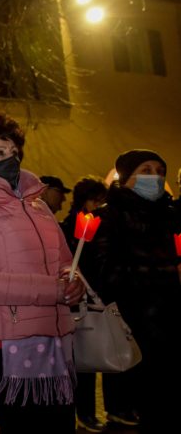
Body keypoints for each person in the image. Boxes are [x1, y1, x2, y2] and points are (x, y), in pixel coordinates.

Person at [0, 112, 84, 434]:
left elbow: (64, 259)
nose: (11, 159)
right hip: (7, 346)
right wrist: (52, 290)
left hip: (55, 339)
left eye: (13, 152)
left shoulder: (38, 206)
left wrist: (73, 279)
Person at [81, 149, 181, 433]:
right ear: (126, 177)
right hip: (129, 321)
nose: (155, 177)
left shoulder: (169, 215)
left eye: (160, 171)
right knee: (140, 393)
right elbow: (99, 271)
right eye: (146, 170)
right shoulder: (107, 216)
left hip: (168, 317)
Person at [59, 176, 108, 433]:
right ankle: (81, 413)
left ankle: (87, 411)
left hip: (96, 301)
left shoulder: (103, 227)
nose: (99, 206)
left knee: (92, 359)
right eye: (96, 201)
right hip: (75, 303)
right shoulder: (69, 228)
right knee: (79, 363)